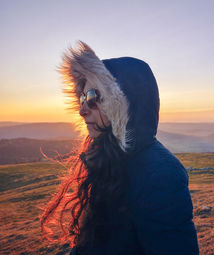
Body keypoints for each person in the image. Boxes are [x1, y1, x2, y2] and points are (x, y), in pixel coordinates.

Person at [40, 41, 200, 255]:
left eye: (93, 97)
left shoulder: (161, 174)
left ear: (124, 103)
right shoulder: (107, 158)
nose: (82, 110)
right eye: (82, 97)